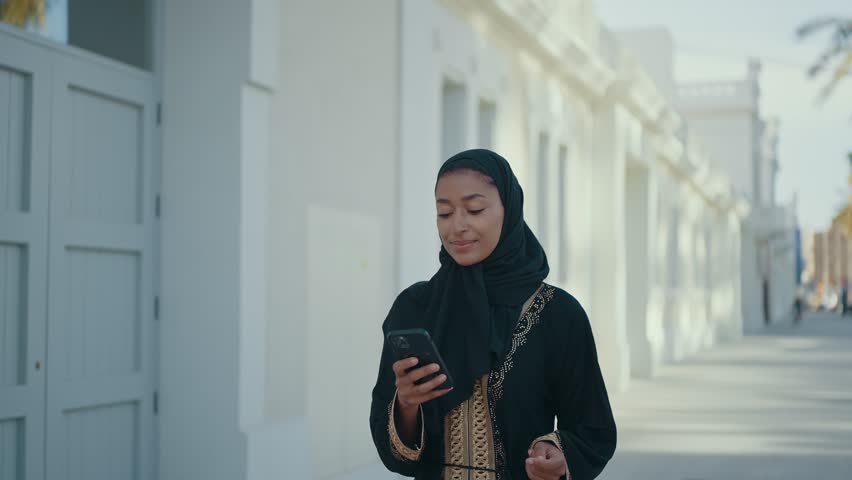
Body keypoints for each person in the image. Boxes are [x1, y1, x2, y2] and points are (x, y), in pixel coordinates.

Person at [369, 149, 617, 480]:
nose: (457, 226)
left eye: (474, 209)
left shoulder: (558, 314)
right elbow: (394, 454)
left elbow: (592, 428)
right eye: (444, 213)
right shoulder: (415, 307)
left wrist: (557, 452)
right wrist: (406, 405)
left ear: (509, 210)